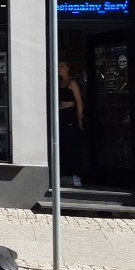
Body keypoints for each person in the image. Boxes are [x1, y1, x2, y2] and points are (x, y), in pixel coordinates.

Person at [58, 59, 84, 187]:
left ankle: (76, 175)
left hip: (70, 114)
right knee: (63, 144)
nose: (59, 68)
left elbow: (79, 101)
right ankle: (66, 174)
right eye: (59, 66)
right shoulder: (59, 83)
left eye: (62, 66)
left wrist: (80, 118)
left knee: (71, 144)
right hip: (61, 114)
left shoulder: (71, 82)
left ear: (67, 68)